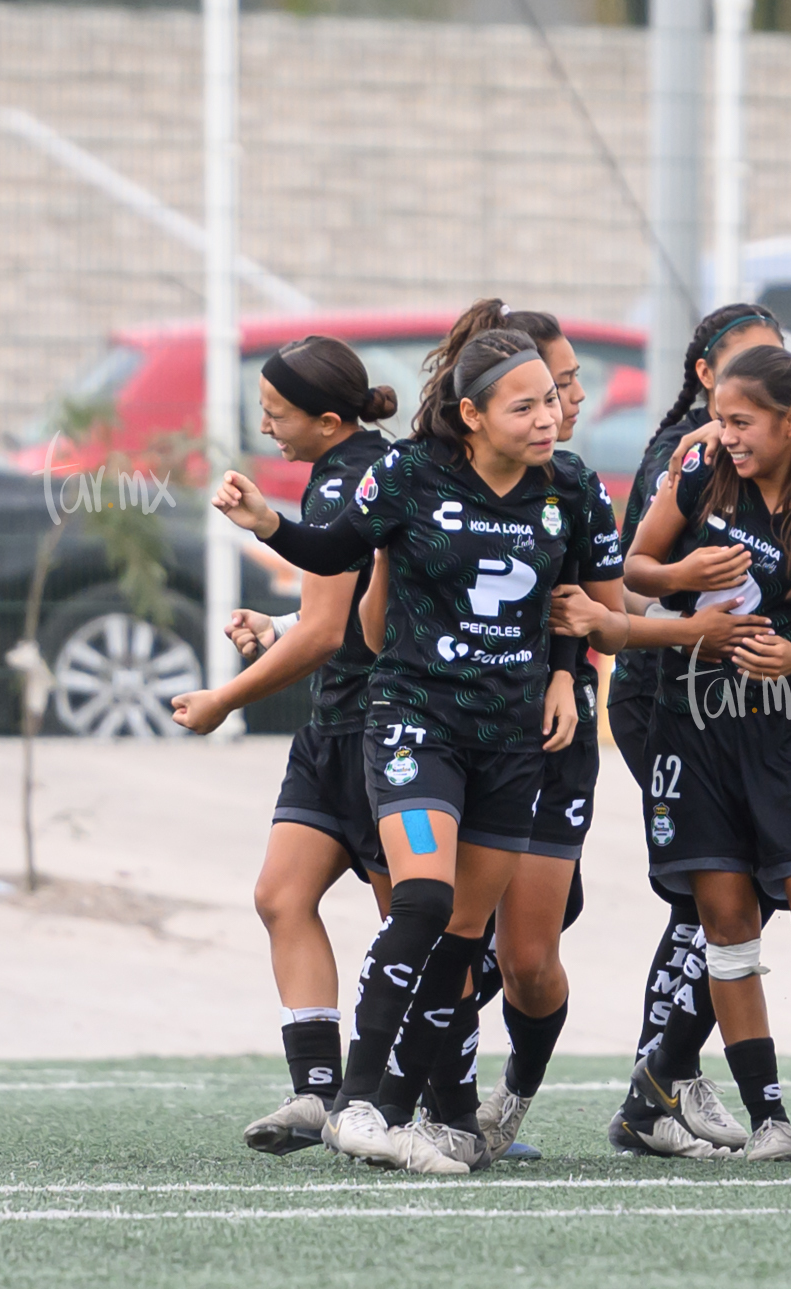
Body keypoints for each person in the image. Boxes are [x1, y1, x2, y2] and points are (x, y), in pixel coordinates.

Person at [211, 326, 583, 1175]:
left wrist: (567, 676)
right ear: (473, 415)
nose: (548, 417)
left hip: (512, 740)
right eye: (525, 404)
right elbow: (335, 551)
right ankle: (356, 1102)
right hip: (415, 721)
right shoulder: (408, 473)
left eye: (552, 401)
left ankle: (425, 1112)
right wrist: (269, 521)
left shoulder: (573, 490)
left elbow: (575, 600)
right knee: (419, 899)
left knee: (459, 938)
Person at [600, 302, 791, 1156]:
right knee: (724, 919)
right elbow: (633, 569)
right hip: (694, 727)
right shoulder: (695, 472)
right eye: (718, 418)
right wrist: (683, 573)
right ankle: (769, 1118)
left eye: (740, 421)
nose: (722, 435)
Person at [166, 336, 396, 1156]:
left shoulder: (354, 477)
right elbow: (330, 618)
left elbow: (335, 630)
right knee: (280, 895)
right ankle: (319, 1092)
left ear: (328, 420)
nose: (265, 428)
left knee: (408, 929)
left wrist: (225, 699)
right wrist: (279, 627)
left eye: (276, 413)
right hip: (333, 726)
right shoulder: (342, 470)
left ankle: (428, 1097)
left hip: (387, 733)